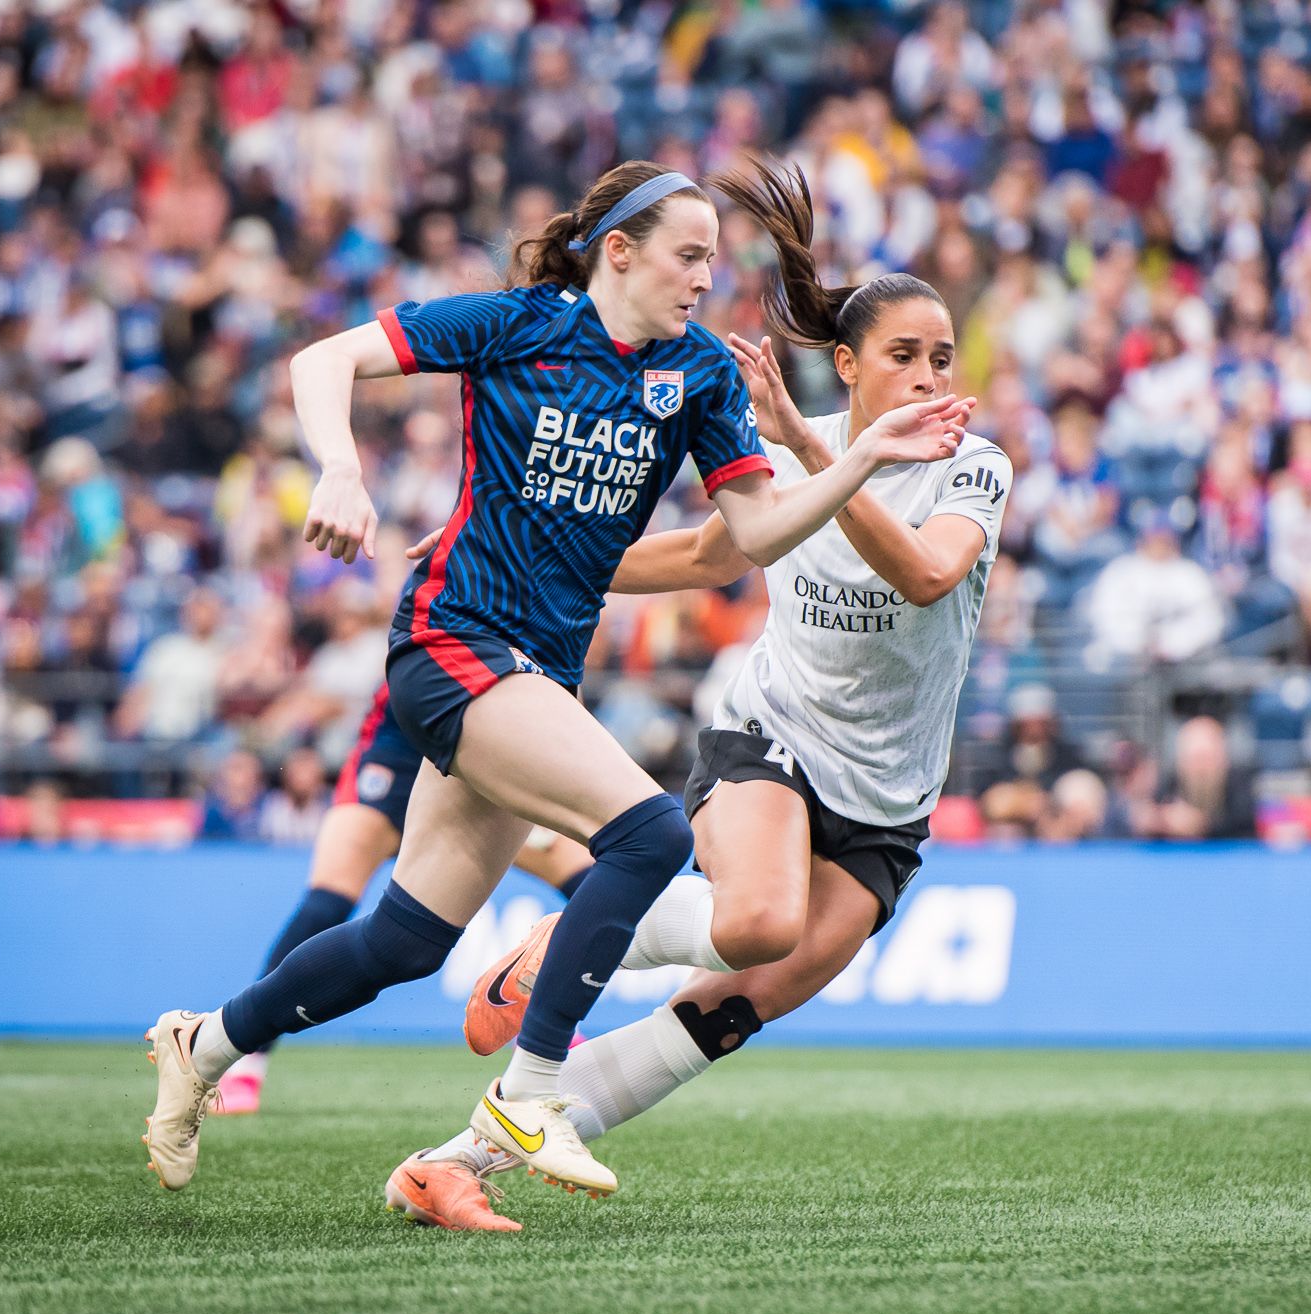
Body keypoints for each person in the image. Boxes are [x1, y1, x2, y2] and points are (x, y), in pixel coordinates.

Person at [140, 160, 971, 1210]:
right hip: (454, 640)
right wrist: (340, 470)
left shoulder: (700, 375)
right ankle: (527, 1098)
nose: (702, 278)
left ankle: (203, 1042)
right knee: (651, 836)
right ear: (615, 251)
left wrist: (850, 459)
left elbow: (746, 539)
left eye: (712, 259)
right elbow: (325, 360)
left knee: (402, 940)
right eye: (686, 255)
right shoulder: (514, 324)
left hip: (537, 672)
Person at [391, 174, 1012, 1229]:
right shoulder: (780, 451)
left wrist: (828, 450)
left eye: (940, 359)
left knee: (731, 1008)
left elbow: (922, 576)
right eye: (901, 357)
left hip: (890, 795)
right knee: (759, 920)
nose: (925, 377)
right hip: (770, 732)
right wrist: (514, 547)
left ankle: (451, 1163)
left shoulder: (975, 469)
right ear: (849, 367)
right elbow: (698, 555)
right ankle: (575, 948)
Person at [209, 677, 594, 1117]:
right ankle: (242, 1058)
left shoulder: (556, 622)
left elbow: (565, 711)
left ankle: (548, 1027)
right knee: (326, 903)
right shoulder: (458, 617)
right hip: (398, 757)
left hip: (477, 767)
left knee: (592, 884)